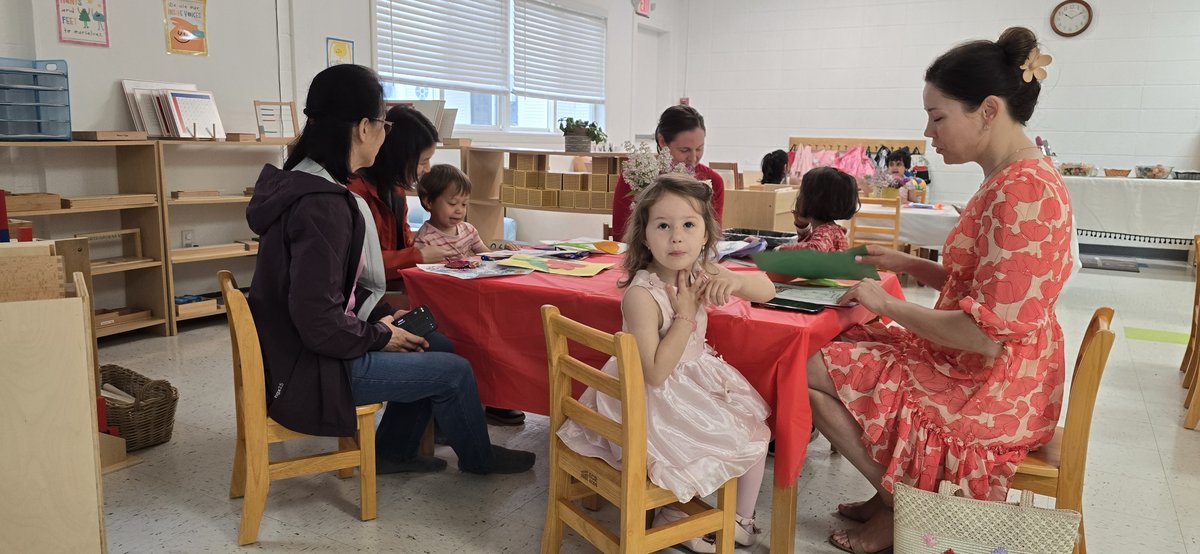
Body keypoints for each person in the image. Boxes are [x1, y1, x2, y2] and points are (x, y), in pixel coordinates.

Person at [808, 27, 1073, 554]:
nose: (929, 133)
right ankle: (896, 493)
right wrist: (906, 263)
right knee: (825, 356)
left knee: (808, 367)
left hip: (992, 382)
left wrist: (885, 301)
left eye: (938, 117)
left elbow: (984, 336)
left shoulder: (1022, 191)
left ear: (989, 110)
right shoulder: (1012, 176)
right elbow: (983, 287)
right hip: (998, 366)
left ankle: (900, 505)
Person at [245, 64, 534, 476]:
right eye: (382, 123)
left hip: (300, 350)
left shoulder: (300, 182)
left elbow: (324, 289)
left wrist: (379, 315)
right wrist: (379, 335)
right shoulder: (324, 203)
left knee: (437, 344)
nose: (385, 134)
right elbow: (317, 320)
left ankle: (394, 451)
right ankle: (479, 459)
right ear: (364, 128)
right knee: (454, 371)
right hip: (313, 367)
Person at [558, 175, 776, 553]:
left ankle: (735, 519)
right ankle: (679, 514)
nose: (677, 237)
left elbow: (768, 290)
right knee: (739, 441)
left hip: (692, 379)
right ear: (644, 236)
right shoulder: (641, 295)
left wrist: (734, 283)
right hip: (653, 397)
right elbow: (655, 373)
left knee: (755, 432)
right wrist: (686, 317)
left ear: (707, 234)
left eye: (688, 225)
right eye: (663, 226)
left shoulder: (701, 272)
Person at [347, 105, 449, 285]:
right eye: (423, 161)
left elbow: (403, 240)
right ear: (400, 157)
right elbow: (361, 265)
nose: (427, 169)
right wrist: (417, 255)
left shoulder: (395, 191)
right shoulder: (356, 192)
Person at [611, 105, 725, 240]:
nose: (693, 158)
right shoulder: (635, 176)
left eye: (699, 149)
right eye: (684, 150)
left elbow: (713, 237)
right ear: (663, 141)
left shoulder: (713, 181)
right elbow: (620, 236)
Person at [413, 164, 489, 260]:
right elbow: (419, 272)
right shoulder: (424, 239)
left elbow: (488, 256)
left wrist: (506, 253)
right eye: (452, 203)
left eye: (464, 204)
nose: (459, 210)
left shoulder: (468, 230)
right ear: (429, 202)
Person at [778, 167, 859, 253]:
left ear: (813, 202)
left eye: (801, 193)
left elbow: (813, 250)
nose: (798, 198)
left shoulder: (825, 232)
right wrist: (803, 229)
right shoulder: (830, 230)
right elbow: (810, 246)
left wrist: (781, 249)